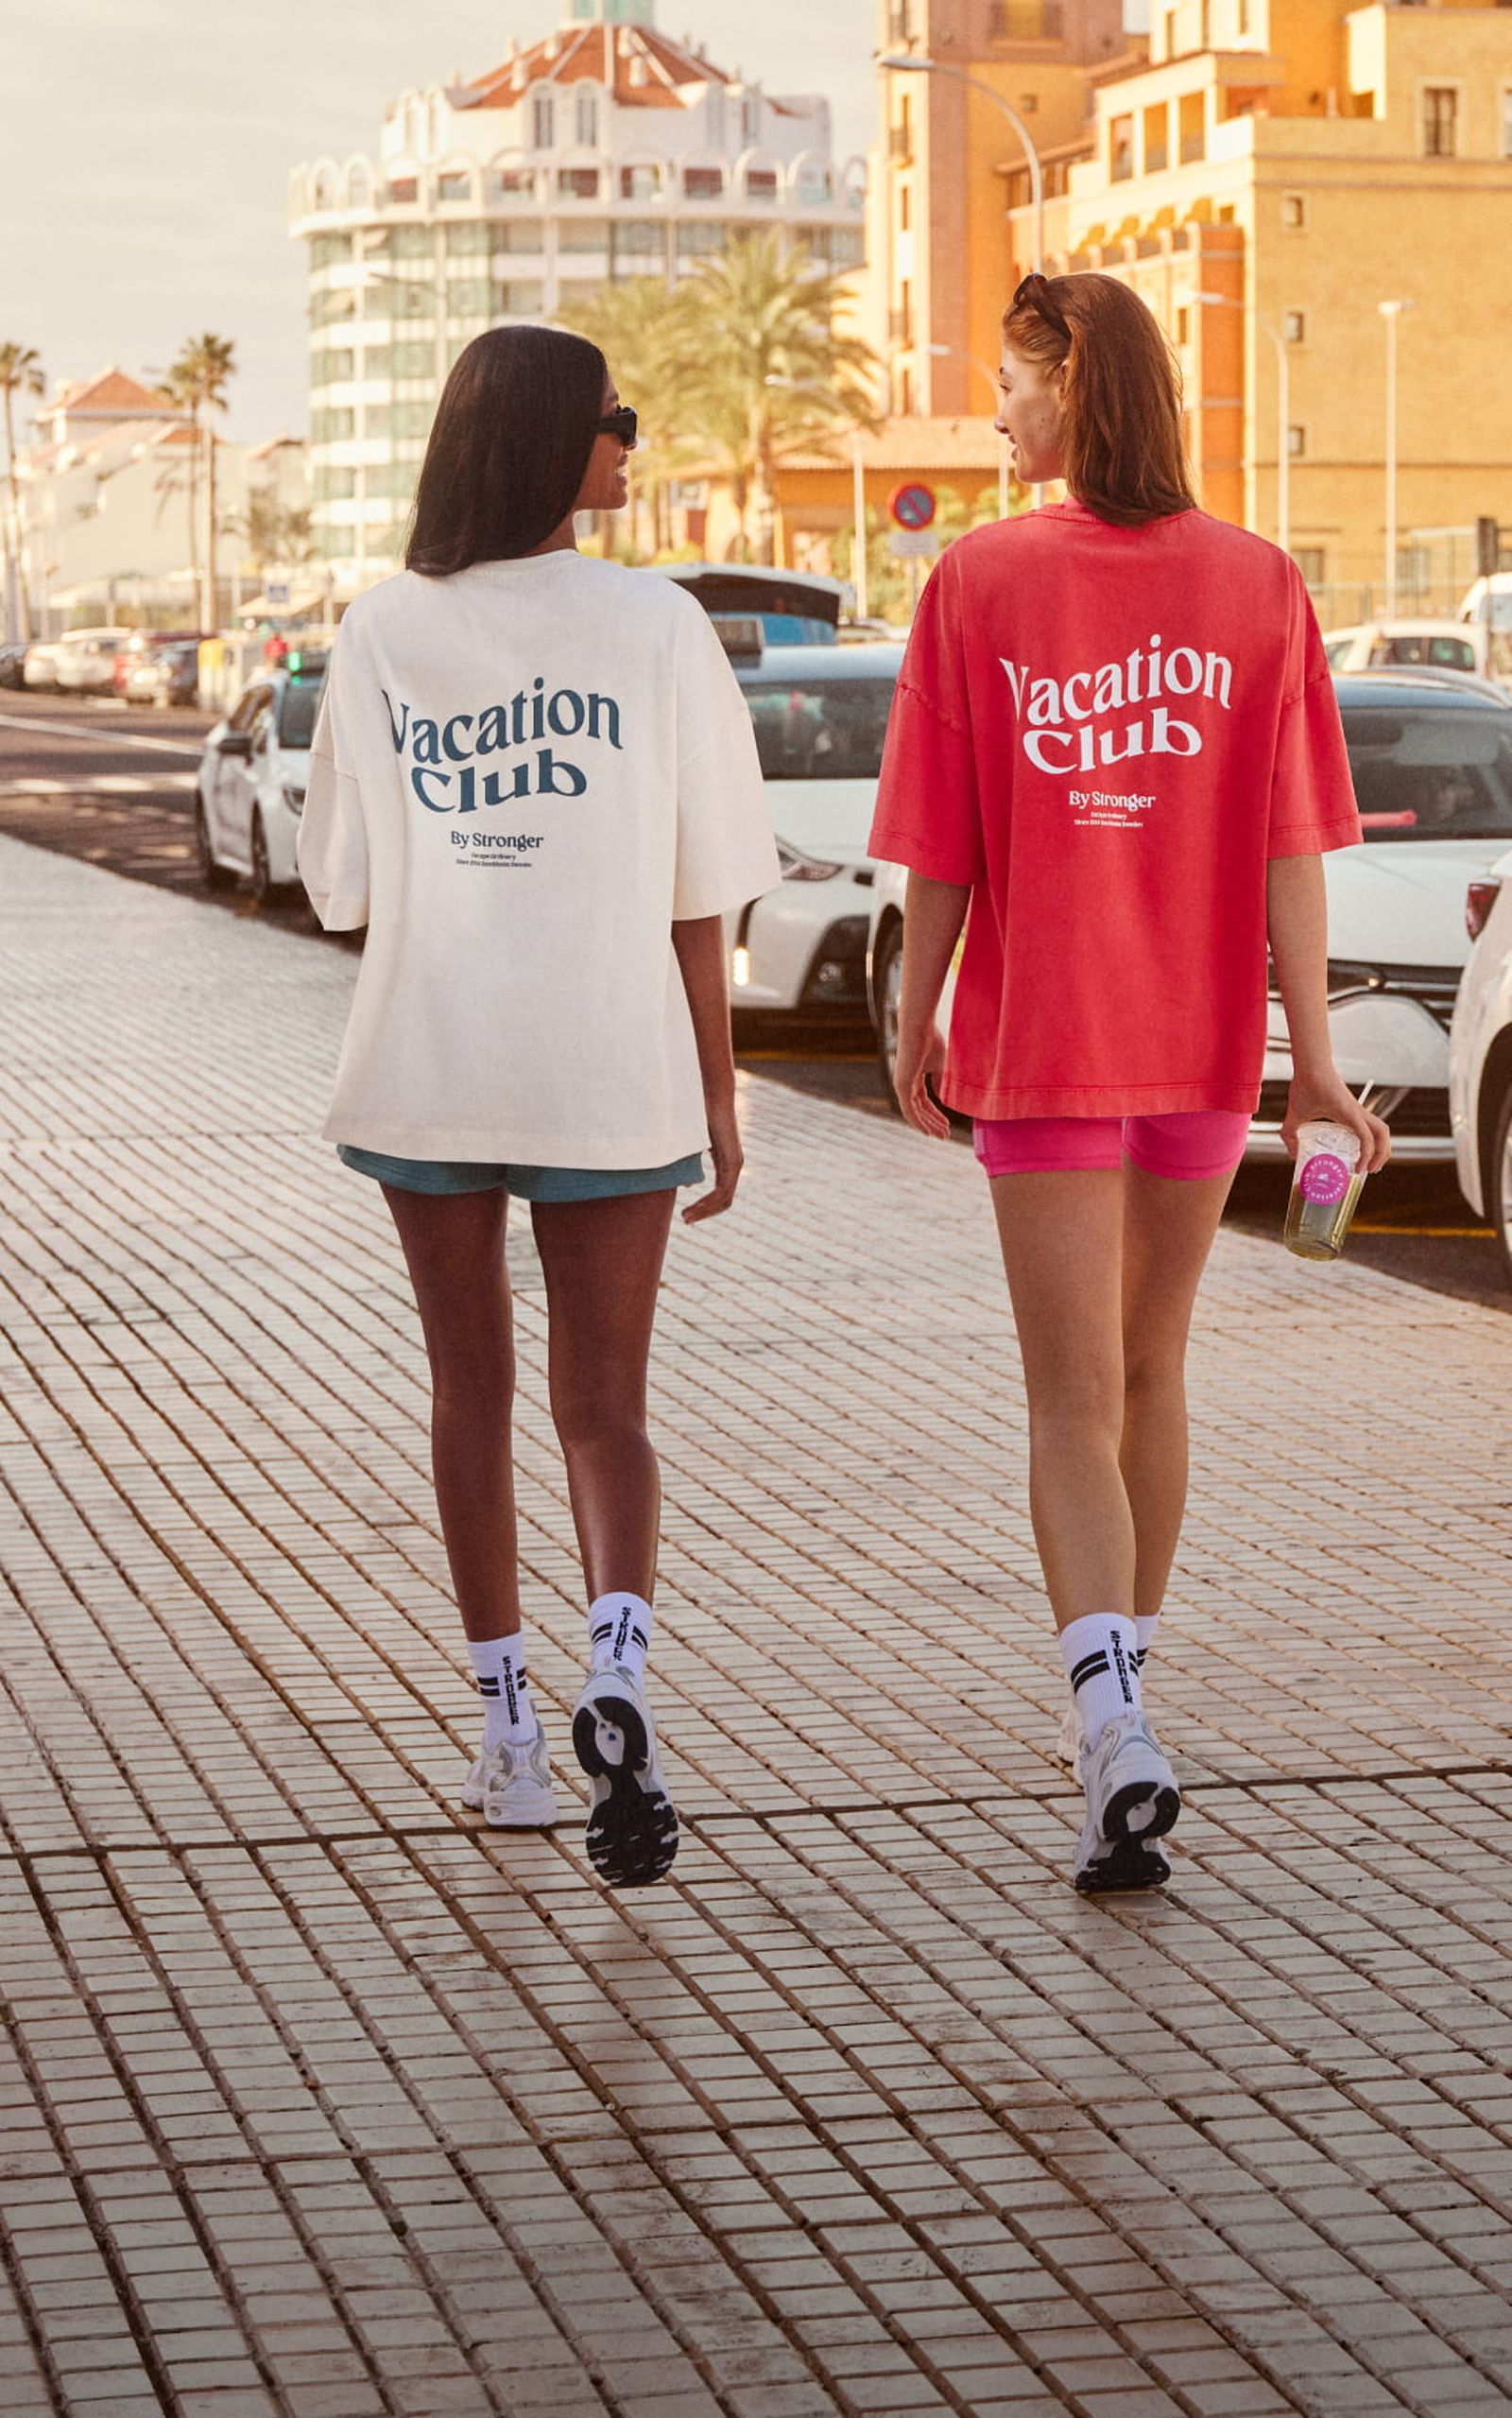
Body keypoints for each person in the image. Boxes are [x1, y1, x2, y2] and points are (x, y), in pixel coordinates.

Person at [869, 272, 1389, 1895]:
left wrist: (918, 1002)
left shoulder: (980, 580)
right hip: (1204, 1053)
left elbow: (943, 837)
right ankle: (1128, 1718)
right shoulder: (1259, 582)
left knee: (1072, 1400)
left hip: (1049, 1054)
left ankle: (1111, 1735)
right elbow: (1296, 848)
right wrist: (1309, 1061)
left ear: (1077, 381)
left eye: (1012, 383)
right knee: (1151, 1377)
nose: (998, 412)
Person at [298, 326, 779, 1889]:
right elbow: (704, 889)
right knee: (608, 1410)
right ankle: (619, 1676)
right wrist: (717, 1088)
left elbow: (338, 881)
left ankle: (509, 1738)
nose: (631, 442)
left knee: (469, 1396)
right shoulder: (659, 625)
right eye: (611, 417)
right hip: (609, 1070)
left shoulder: (380, 628)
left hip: (431, 1056)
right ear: (546, 440)